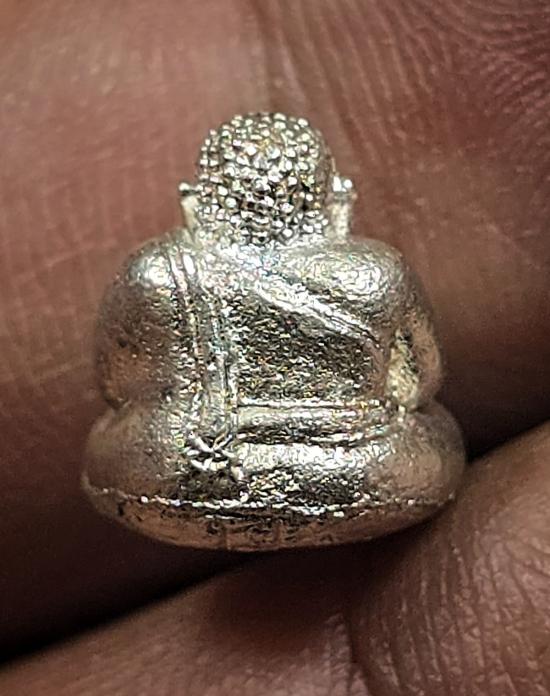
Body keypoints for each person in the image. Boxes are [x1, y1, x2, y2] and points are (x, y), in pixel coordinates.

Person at [1, 1, 549, 693]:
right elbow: (418, 380)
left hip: (182, 475)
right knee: (430, 434)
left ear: (196, 200)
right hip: (363, 471)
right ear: (332, 198)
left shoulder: (156, 272)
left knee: (120, 441)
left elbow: (117, 383)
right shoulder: (373, 273)